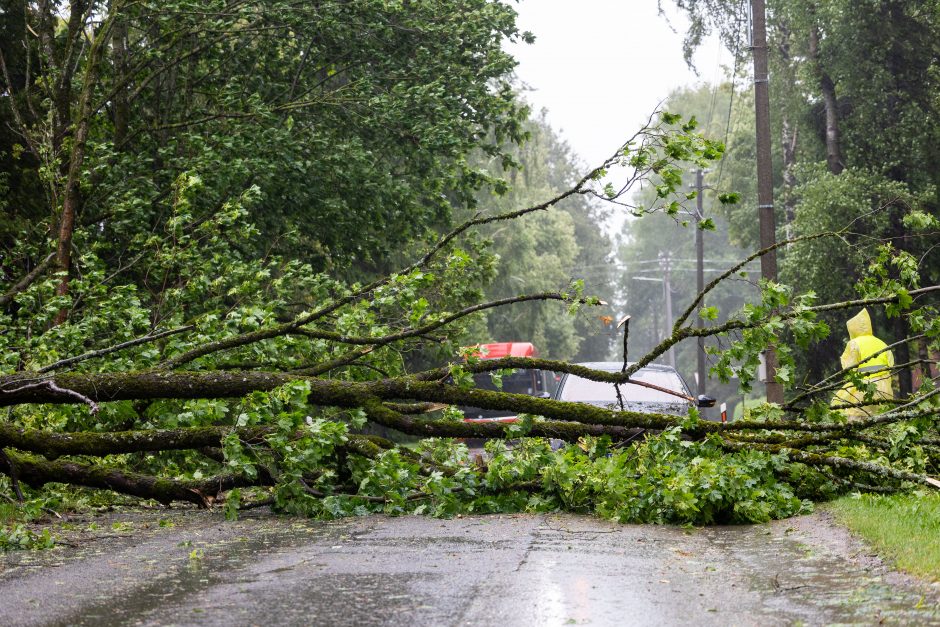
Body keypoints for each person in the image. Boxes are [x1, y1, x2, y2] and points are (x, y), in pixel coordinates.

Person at [831, 308, 894, 418]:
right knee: (882, 420)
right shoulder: (882, 343)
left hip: (864, 389)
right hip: (885, 390)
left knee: (845, 410)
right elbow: (890, 364)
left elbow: (849, 367)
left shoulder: (854, 343)